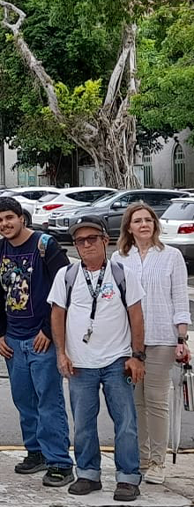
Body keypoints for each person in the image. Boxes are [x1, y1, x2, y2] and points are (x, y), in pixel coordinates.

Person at [50, 215, 146, 502]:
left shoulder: (122, 274)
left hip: (117, 361)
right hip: (80, 364)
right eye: (80, 240)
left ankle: (128, 478)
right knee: (83, 423)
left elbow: (137, 316)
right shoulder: (66, 276)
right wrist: (61, 353)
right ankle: (88, 474)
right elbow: (57, 314)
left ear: (106, 240)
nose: (87, 244)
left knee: (126, 422)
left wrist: (137, 356)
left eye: (93, 238)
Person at [0, 195, 74, 487]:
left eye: (9, 218)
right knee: (24, 400)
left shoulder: (45, 246)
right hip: (13, 340)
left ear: (21, 217)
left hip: (41, 340)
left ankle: (59, 461)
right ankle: (35, 452)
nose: (4, 224)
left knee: (49, 401)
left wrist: (49, 330)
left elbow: (64, 290)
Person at [112, 202, 190, 485]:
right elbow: (115, 303)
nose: (144, 224)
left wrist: (181, 338)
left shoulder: (171, 256)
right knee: (135, 402)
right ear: (129, 228)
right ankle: (141, 458)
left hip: (162, 339)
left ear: (155, 225)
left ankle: (158, 461)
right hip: (129, 341)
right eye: (137, 221)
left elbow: (180, 300)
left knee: (156, 401)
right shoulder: (119, 259)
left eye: (148, 220)